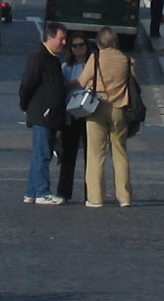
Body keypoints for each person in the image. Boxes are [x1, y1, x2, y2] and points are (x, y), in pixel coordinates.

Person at [78, 27, 135, 208]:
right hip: (120, 107)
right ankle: (124, 197)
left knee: (96, 154)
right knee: (120, 153)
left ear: (99, 42)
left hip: (97, 107)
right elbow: (134, 83)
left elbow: (82, 82)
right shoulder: (126, 60)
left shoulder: (95, 59)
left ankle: (95, 197)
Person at [19, 22, 69, 206]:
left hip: (50, 115)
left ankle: (31, 192)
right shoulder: (39, 58)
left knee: (40, 154)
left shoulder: (52, 58)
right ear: (49, 38)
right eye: (61, 38)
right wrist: (25, 106)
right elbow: (27, 84)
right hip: (42, 114)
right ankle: (42, 191)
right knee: (43, 154)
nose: (64, 42)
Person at [55, 32, 92, 203]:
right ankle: (63, 192)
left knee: (90, 157)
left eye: (81, 45)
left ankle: (90, 193)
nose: (79, 49)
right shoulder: (66, 67)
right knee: (68, 155)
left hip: (90, 114)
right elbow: (61, 89)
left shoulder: (93, 65)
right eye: (75, 46)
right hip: (71, 115)